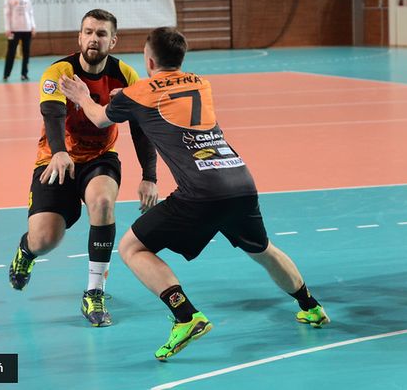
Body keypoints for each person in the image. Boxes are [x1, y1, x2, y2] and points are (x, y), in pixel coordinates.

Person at [59, 27, 329, 360]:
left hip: (201, 191)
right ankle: (310, 306)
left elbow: (100, 119)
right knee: (262, 249)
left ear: (149, 60)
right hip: (240, 182)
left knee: (132, 247)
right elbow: (165, 100)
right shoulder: (201, 83)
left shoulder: (138, 93)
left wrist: (83, 96)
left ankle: (185, 316)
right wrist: (127, 97)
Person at [8, 8, 159, 328]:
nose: (94, 38)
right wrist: (59, 153)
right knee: (46, 239)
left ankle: (94, 292)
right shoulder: (59, 71)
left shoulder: (126, 76)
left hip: (100, 158)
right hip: (55, 157)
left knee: (103, 202)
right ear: (79, 37)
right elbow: (52, 113)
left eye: (101, 34)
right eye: (88, 32)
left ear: (112, 41)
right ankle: (27, 250)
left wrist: (150, 177)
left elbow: (142, 130)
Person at [3, 0, 36, 81]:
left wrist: (33, 26)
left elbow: (31, 13)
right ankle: (6, 74)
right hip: (14, 30)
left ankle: (24, 74)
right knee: (11, 53)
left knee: (26, 53)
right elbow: (7, 15)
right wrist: (7, 28)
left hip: (26, 29)